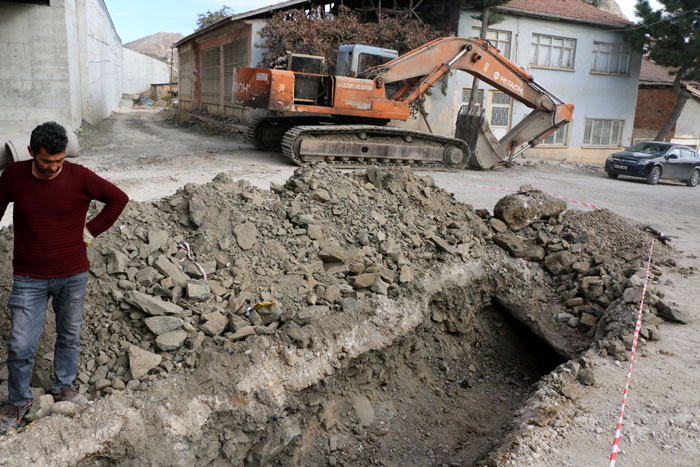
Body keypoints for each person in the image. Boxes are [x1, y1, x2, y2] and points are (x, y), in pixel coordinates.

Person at [0, 122, 129, 434]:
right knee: (20, 344)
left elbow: (118, 199)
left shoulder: (80, 176)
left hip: (72, 275)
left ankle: (64, 388)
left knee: (68, 336)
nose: (53, 168)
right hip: (28, 276)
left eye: (59, 161)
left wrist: (89, 232)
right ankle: (18, 401)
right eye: (46, 162)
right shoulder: (14, 176)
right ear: (32, 153)